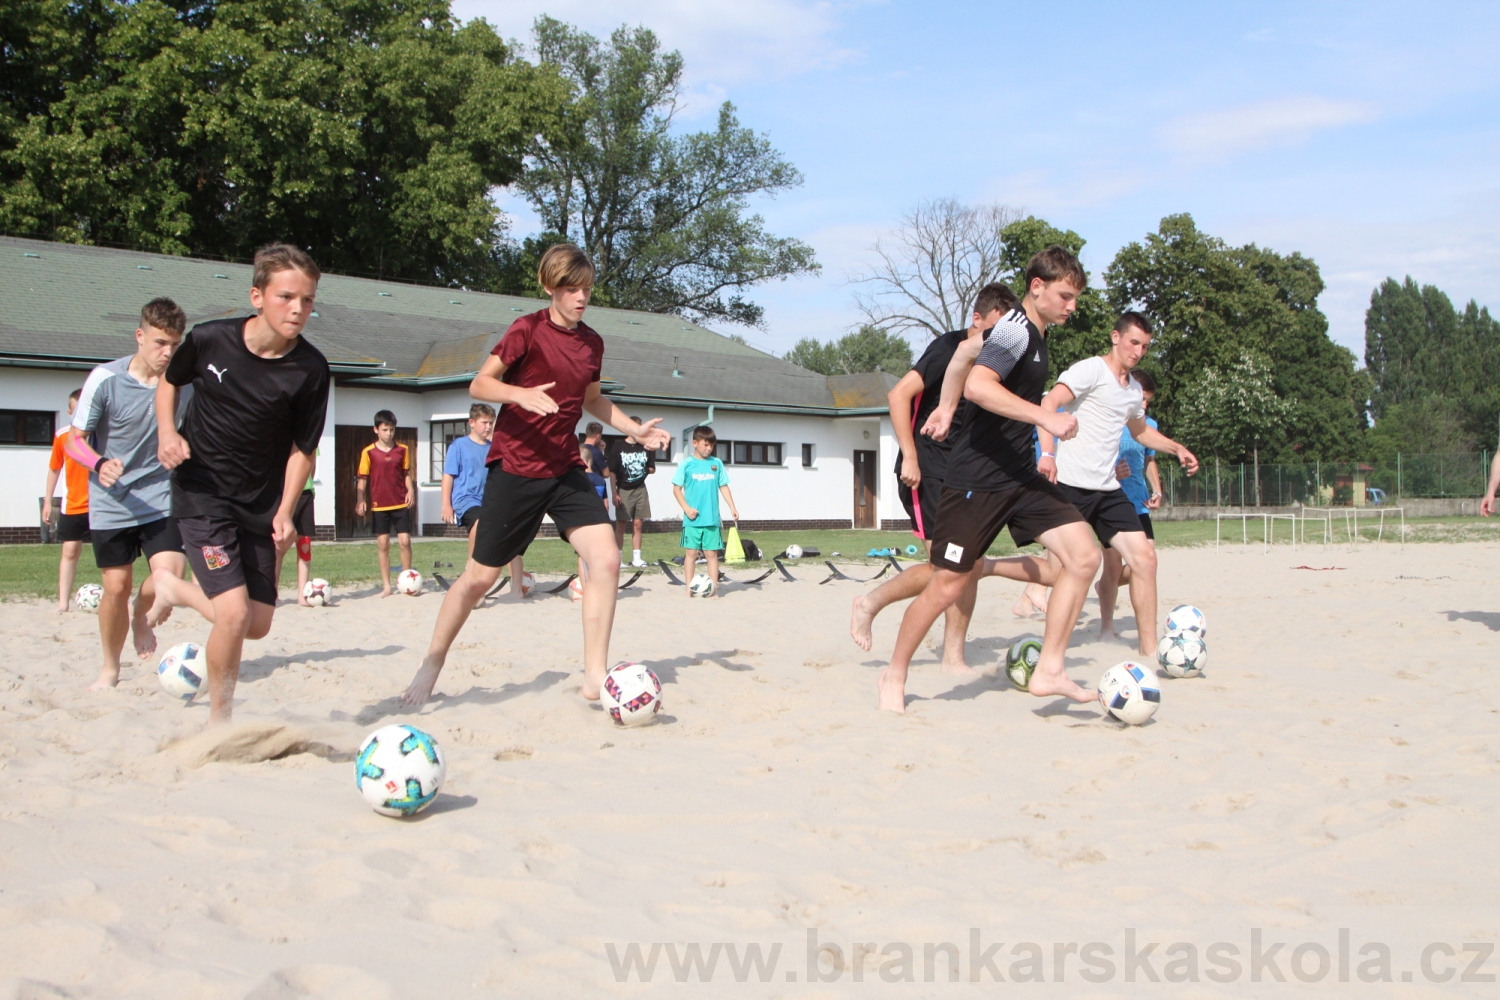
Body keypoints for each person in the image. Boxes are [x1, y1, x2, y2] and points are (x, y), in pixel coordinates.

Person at [400, 243, 670, 707]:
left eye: (587, 288)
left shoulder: (592, 343)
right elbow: (479, 384)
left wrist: (633, 429)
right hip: (516, 469)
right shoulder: (527, 329)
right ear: (549, 287)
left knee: (606, 559)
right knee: (479, 579)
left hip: (563, 468)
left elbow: (591, 400)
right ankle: (432, 662)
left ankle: (595, 675)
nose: (581, 297)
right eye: (571, 289)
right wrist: (519, 395)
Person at [877, 246, 1099, 713]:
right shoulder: (1017, 330)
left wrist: (946, 407)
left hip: (1019, 475)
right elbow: (979, 384)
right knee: (947, 584)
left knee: (1084, 557)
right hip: (977, 479)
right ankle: (894, 672)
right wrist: (1045, 417)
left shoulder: (1031, 333)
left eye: (1075, 297)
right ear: (1037, 287)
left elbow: (964, 353)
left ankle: (1050, 669)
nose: (1072, 306)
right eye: (1065, 295)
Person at [152, 243, 330, 727]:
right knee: (232, 615)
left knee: (258, 623)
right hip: (202, 494)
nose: (297, 309)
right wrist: (167, 432)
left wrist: (285, 510)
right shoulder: (210, 339)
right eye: (286, 297)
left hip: (260, 503)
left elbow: (303, 449)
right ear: (257, 296)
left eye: (307, 300)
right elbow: (170, 381)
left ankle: (172, 587)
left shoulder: (311, 370)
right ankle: (220, 725)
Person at [980, 314, 1198, 657]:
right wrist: (1047, 453)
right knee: (1055, 571)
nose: (1138, 351)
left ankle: (1149, 650)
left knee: (1145, 559)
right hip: (1069, 486)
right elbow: (1048, 404)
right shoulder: (1090, 370)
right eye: (1133, 342)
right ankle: (986, 566)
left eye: (1145, 346)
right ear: (1116, 337)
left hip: (1108, 490)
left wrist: (1177, 448)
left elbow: (1141, 431)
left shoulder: (1134, 391)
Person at [848, 282, 1018, 670]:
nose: (999, 336)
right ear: (977, 319)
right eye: (995, 327)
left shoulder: (996, 362)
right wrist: (909, 456)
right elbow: (898, 396)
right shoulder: (949, 347)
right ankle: (869, 604)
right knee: (947, 569)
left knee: (969, 565)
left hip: (965, 473)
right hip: (927, 469)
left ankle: (953, 656)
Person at [66, 298, 191, 690]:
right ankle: (110, 668)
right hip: (112, 502)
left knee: (170, 576)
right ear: (139, 336)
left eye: (174, 344)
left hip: (160, 497)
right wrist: (99, 463)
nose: (167, 352)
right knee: (116, 588)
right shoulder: (105, 379)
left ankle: (142, 612)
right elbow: (74, 441)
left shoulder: (184, 385)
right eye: (160, 343)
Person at [1098, 371, 1163, 637]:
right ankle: (1106, 627)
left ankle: (1144, 626)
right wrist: (1113, 473)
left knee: (1147, 561)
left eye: (1148, 401)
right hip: (1109, 501)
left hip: (1138, 503)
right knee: (1113, 568)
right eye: (1142, 399)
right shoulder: (1107, 421)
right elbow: (1092, 460)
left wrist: (1157, 490)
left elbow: (1149, 460)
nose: (1145, 405)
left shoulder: (1150, 425)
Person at [441, 404, 526, 594]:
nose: (488, 426)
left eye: (491, 423)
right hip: (466, 499)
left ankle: (517, 589)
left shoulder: (494, 448)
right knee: (479, 524)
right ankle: (470, 574)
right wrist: (446, 504)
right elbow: (448, 476)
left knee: (510, 536)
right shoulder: (458, 446)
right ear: (471, 422)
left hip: (490, 499)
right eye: (484, 422)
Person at [672, 426, 740, 598]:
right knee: (691, 554)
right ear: (695, 443)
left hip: (711, 519)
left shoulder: (716, 464)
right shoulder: (686, 464)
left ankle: (714, 589)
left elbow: (723, 486)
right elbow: (676, 489)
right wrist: (686, 508)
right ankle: (689, 588)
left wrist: (732, 507)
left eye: (712, 445)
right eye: (706, 445)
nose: (709, 448)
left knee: (711, 554)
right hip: (692, 520)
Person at [356, 410, 416, 597]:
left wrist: (411, 490)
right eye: (385, 430)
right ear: (376, 429)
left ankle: (407, 582)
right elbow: (362, 478)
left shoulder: (402, 450)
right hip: (379, 505)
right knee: (383, 544)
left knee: (405, 541)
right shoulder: (368, 452)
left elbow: (406, 474)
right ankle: (387, 587)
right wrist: (360, 499)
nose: (389, 433)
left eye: (391, 430)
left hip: (400, 502)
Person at [44, 388, 91, 612]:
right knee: (70, 551)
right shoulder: (63, 436)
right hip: (73, 504)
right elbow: (54, 469)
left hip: (102, 506)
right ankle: (63, 603)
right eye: (77, 410)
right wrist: (47, 501)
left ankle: (115, 599)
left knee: (109, 554)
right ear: (70, 412)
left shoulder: (103, 433)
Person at [272, 448, 318, 606]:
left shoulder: (309, 439)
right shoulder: (281, 440)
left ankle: (302, 595)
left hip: (305, 494)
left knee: (304, 545)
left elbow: (312, 465)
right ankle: (272, 593)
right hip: (283, 494)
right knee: (279, 544)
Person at [608, 418, 656, 567]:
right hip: (624, 489)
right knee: (621, 524)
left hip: (640, 489)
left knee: (638, 524)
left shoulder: (646, 447)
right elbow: (612, 472)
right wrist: (614, 493)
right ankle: (618, 559)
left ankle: (637, 559)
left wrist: (644, 469)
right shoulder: (618, 447)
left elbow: (652, 468)